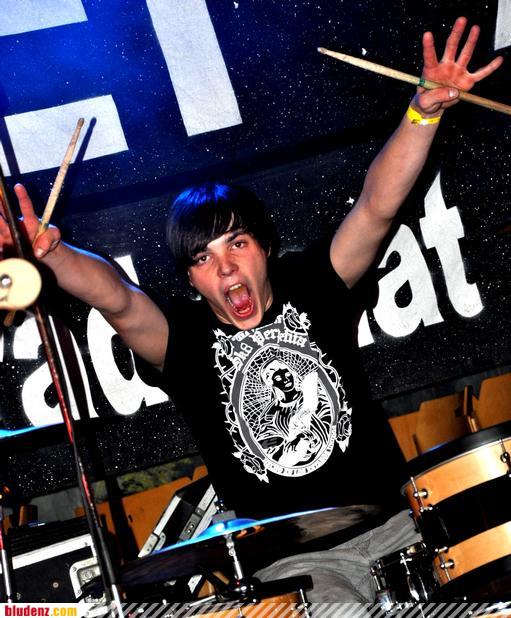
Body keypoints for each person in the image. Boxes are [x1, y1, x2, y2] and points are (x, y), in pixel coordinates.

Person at [0, 17, 503, 603]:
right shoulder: (182, 340)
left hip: (399, 526)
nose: (225, 269)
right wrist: (52, 254)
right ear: (191, 278)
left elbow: (376, 206)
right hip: (300, 563)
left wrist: (423, 113)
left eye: (236, 244)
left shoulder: (313, 285)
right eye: (203, 258)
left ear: (264, 247)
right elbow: (113, 294)